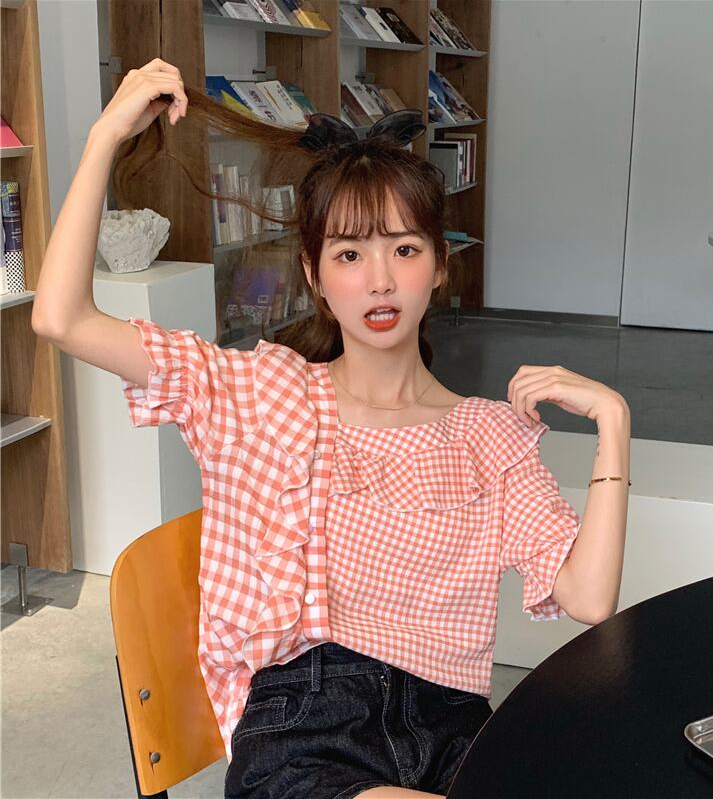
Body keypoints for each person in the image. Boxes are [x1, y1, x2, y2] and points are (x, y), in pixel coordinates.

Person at [32, 58, 631, 799]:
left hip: (456, 732)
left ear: (440, 265)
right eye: (350, 254)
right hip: (306, 730)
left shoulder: (488, 435)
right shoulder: (258, 393)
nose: (380, 280)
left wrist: (614, 424)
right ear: (315, 276)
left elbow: (588, 599)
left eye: (404, 249)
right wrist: (104, 137)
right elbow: (61, 317)